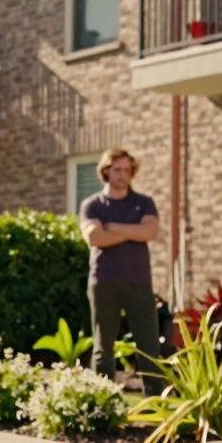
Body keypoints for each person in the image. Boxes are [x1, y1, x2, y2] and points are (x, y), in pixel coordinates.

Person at [78, 148, 162, 396]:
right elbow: (94, 237)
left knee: (148, 343)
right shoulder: (92, 204)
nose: (122, 175)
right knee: (103, 345)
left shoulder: (144, 202)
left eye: (127, 170)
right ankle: (102, 400)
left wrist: (112, 226)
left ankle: (156, 399)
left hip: (139, 282)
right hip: (104, 282)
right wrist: (132, 230)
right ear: (106, 171)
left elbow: (150, 232)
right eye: (117, 170)